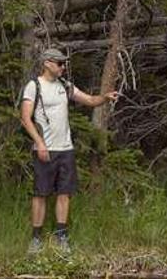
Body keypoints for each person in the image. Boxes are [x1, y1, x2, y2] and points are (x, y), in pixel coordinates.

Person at [18, 47, 118, 256]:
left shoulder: (65, 85)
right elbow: (25, 118)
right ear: (47, 63)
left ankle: (61, 236)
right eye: (59, 63)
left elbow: (90, 100)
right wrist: (40, 143)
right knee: (40, 193)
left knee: (64, 193)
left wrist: (105, 97)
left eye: (64, 63)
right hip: (44, 149)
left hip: (66, 149)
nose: (63, 66)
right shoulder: (34, 86)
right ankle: (36, 238)